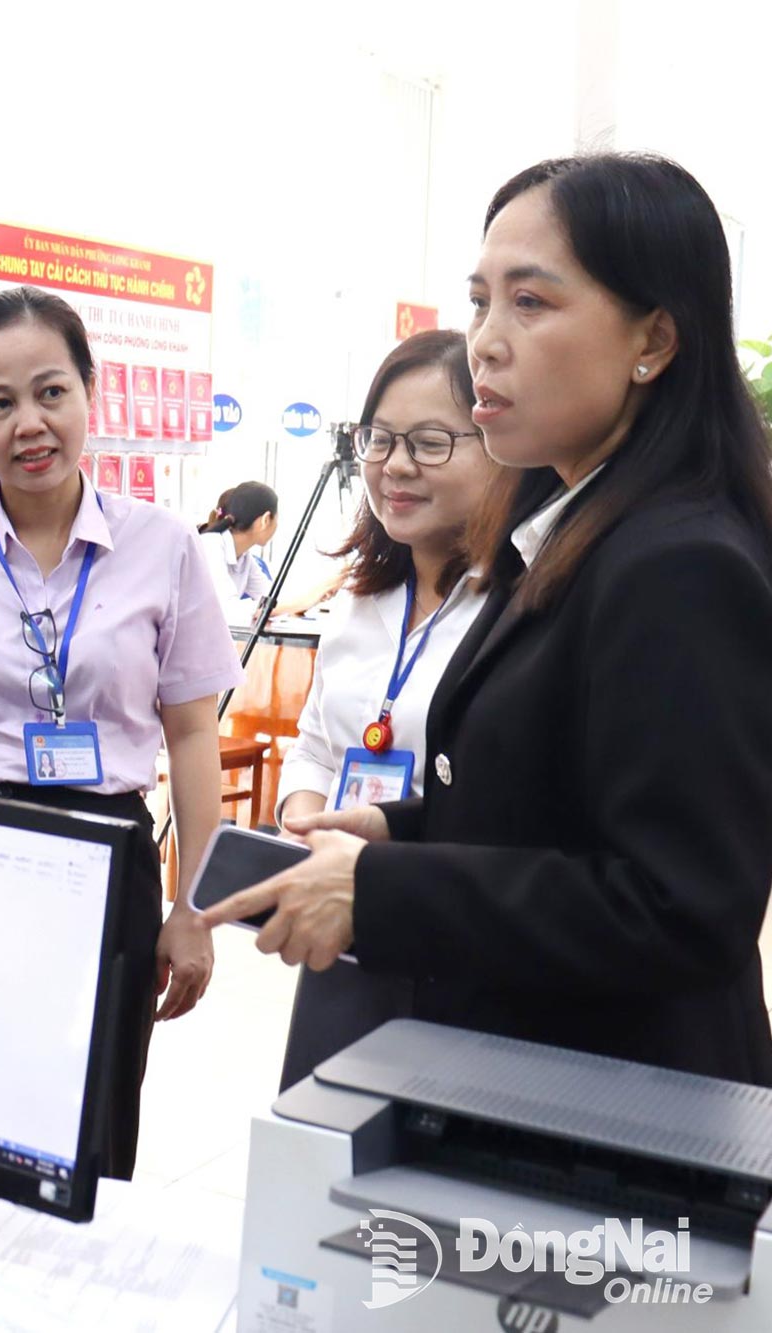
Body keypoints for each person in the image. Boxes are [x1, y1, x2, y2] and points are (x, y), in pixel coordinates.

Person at [207, 153, 772, 1085]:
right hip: (526, 1074)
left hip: (614, 1110)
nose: (485, 342)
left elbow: (679, 905)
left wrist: (380, 888)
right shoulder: (567, 533)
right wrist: (400, 830)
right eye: (479, 302)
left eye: (531, 302)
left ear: (656, 339)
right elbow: (551, 806)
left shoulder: (679, 561)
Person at [0, 287, 242, 1176]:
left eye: (51, 392)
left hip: (109, 855)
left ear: (89, 392)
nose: (29, 424)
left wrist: (194, 909)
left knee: (93, 1121)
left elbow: (192, 737)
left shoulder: (163, 545)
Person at [272, 331, 497, 1089]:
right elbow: (313, 745)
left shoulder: (516, 607)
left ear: (498, 447)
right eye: (378, 438)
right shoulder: (361, 599)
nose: (395, 465)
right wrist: (308, 824)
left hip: (449, 931)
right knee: (325, 1137)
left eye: (430, 443)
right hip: (342, 926)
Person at [197, 481, 278, 624]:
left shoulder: (244, 556)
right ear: (266, 520)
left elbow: (269, 596)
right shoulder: (210, 546)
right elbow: (228, 612)